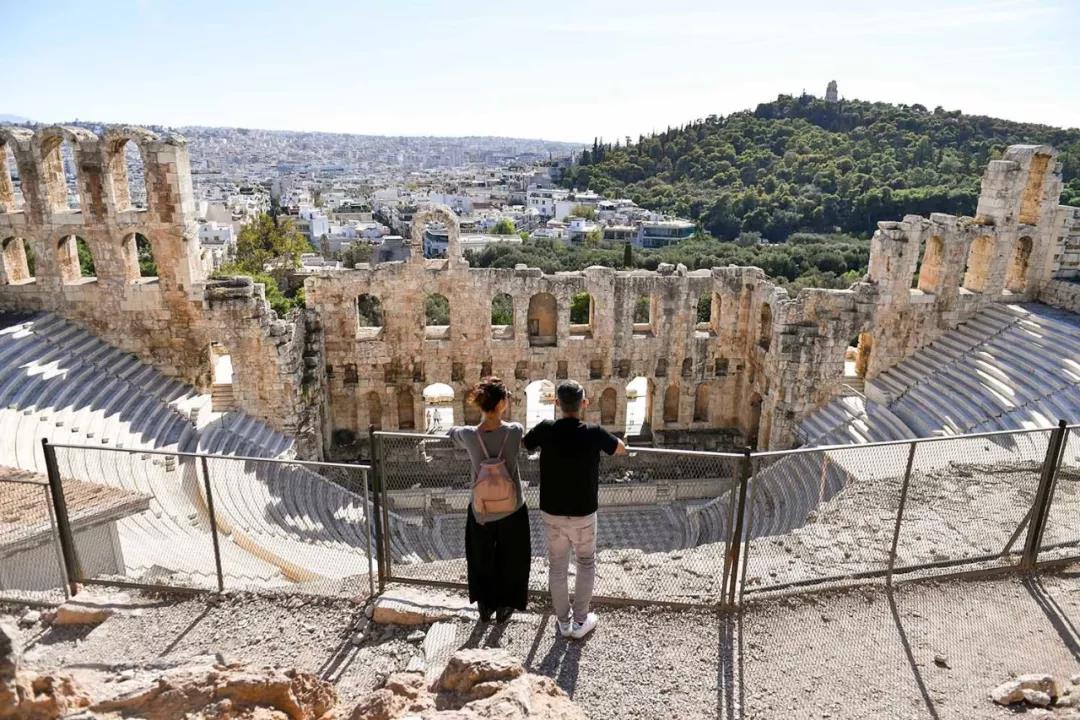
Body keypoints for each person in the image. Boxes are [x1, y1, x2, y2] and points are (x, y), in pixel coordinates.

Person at [523, 380, 626, 640]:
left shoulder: (546, 428)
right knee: (586, 562)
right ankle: (580, 621)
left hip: (553, 512)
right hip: (583, 513)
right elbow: (620, 448)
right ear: (584, 403)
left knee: (557, 567)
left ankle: (563, 621)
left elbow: (526, 443)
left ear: (557, 403)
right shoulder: (593, 432)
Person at [447, 377, 531, 623]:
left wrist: (456, 430)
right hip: (512, 507)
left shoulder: (468, 435)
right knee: (513, 556)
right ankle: (506, 605)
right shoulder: (514, 431)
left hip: (481, 509)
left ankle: (485, 606)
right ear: (502, 404)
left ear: (480, 404)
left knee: (481, 557)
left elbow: (451, 433)